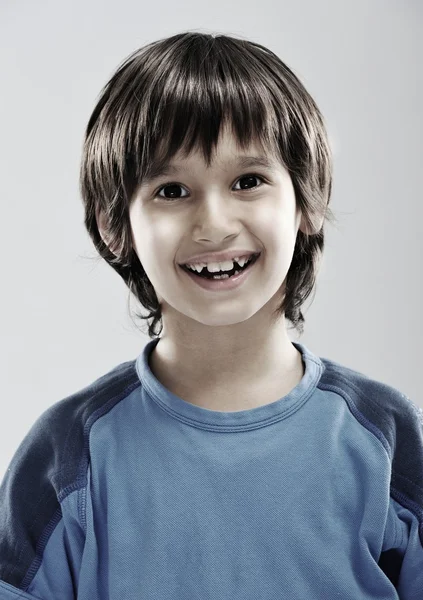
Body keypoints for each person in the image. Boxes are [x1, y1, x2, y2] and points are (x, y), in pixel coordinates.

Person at [0, 31, 422, 600]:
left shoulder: (386, 436)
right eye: (172, 190)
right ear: (113, 224)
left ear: (307, 200)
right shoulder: (68, 454)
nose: (214, 224)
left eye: (248, 182)